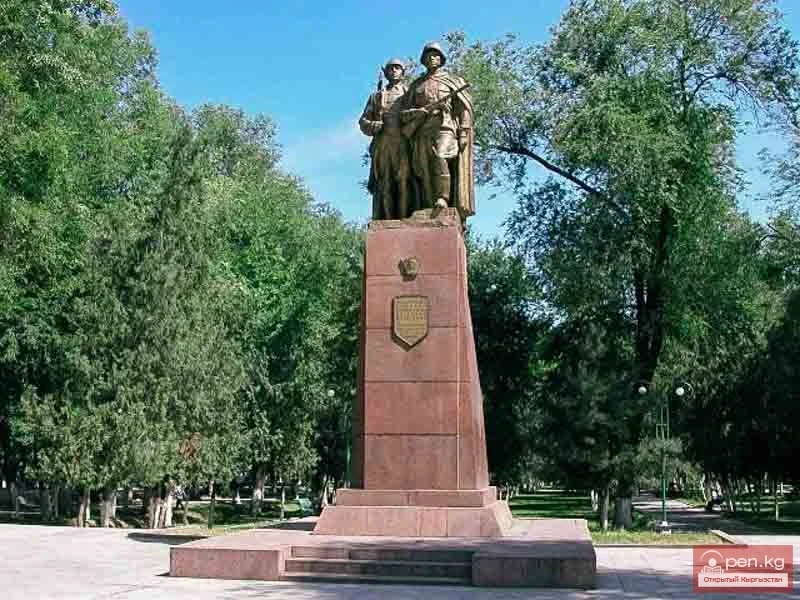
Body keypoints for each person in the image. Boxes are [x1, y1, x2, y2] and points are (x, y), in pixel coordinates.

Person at [401, 42, 475, 220]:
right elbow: (404, 114)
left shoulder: (453, 81)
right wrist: (419, 112)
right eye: (428, 56)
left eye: (435, 55)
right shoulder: (416, 85)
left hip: (445, 127)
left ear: (441, 59)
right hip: (422, 130)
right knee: (424, 168)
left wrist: (463, 132)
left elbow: (464, 108)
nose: (432, 58)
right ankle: (429, 206)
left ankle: (443, 197)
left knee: (440, 156)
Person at [359, 58, 412, 219]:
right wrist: (373, 125)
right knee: (385, 183)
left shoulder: (410, 94)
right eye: (391, 68)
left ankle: (404, 219)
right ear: (386, 72)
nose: (394, 70)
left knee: (404, 181)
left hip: (403, 142)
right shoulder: (376, 96)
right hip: (383, 144)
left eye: (397, 68)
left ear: (403, 72)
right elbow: (363, 121)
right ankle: (387, 221)